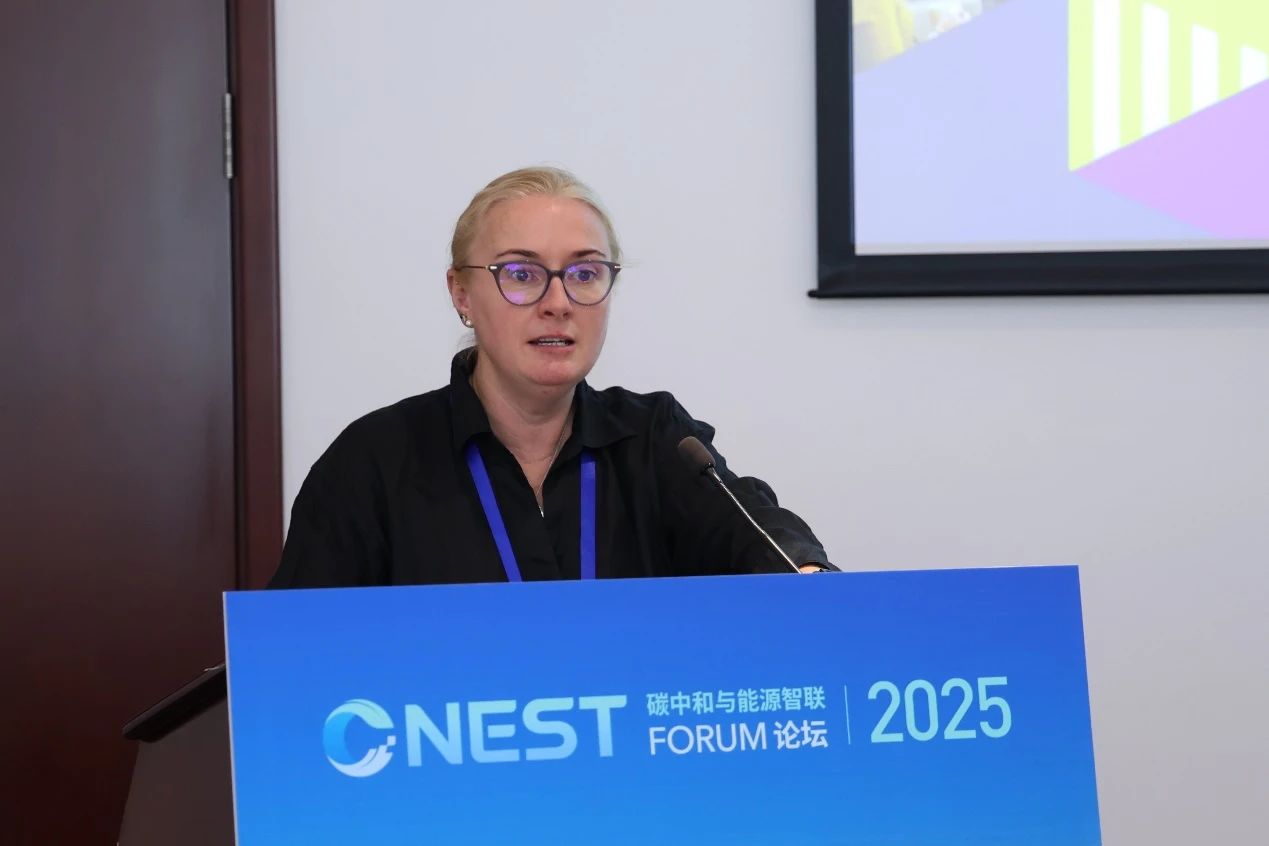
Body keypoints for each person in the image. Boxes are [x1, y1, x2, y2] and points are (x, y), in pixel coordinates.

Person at [270, 167, 832, 588]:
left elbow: (759, 534)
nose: (558, 302)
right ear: (461, 293)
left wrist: (806, 576)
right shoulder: (373, 462)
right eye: (522, 274)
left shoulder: (656, 441)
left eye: (585, 273)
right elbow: (296, 655)